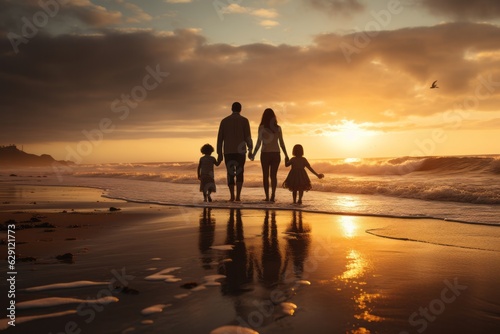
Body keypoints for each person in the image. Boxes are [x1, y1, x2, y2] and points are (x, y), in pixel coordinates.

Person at [217, 102, 253, 201]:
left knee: (230, 173)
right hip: (241, 152)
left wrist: (219, 153)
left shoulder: (224, 121)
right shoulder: (245, 120)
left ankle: (232, 196)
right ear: (240, 109)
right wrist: (250, 149)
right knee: (240, 173)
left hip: (228, 151)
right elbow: (248, 137)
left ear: (231, 109)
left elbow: (220, 139)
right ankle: (238, 197)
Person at [251, 108, 288, 202]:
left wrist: (253, 154)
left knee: (265, 176)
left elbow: (258, 143)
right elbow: (281, 143)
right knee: (273, 176)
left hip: (265, 154)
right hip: (276, 153)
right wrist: (286, 155)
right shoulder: (278, 128)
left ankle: (267, 197)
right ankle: (273, 195)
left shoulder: (261, 128)